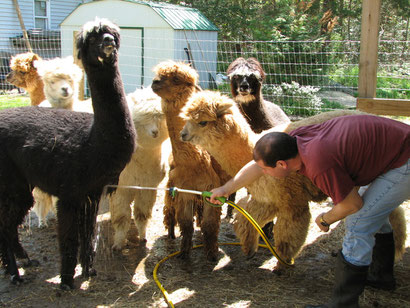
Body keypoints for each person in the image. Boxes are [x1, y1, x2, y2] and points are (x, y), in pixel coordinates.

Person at [209, 114, 409, 308]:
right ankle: (381, 275)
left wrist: (325, 219)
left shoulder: (319, 164)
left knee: (359, 221)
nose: (265, 174)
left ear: (281, 164)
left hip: (403, 159)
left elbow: (351, 205)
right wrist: (226, 189)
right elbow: (258, 165)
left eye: (267, 171)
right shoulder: (296, 140)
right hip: (393, 148)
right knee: (371, 211)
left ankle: (343, 304)